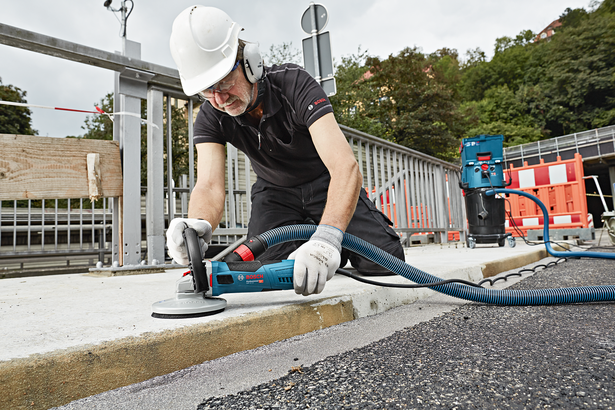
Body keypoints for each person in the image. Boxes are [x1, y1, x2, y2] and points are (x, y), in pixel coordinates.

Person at [166, 5, 404, 296]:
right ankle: (318, 244)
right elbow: (209, 184)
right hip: (275, 194)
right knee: (270, 270)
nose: (219, 98)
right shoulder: (210, 115)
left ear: (249, 61)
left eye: (225, 82)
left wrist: (328, 237)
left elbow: (345, 167)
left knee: (386, 264)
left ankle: (328, 242)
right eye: (207, 90)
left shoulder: (295, 85)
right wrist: (199, 223)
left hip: (327, 183)